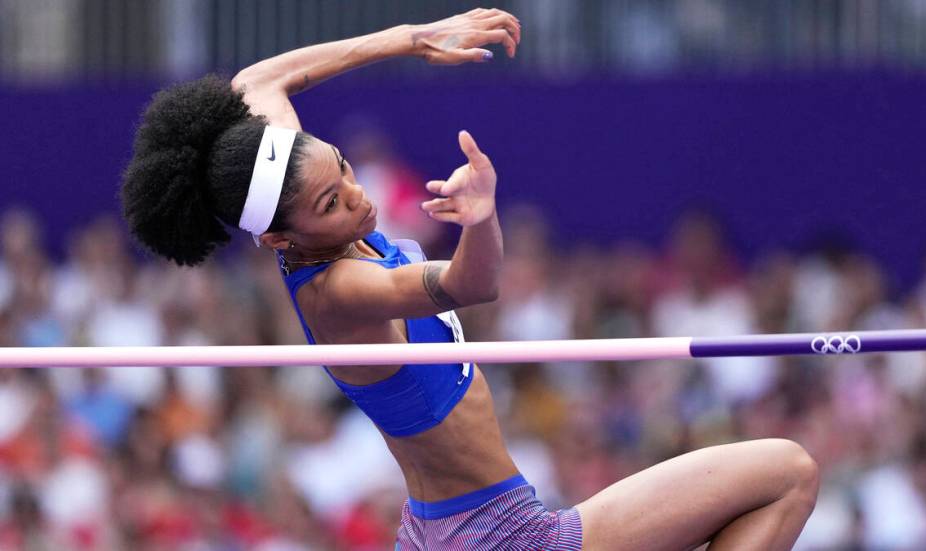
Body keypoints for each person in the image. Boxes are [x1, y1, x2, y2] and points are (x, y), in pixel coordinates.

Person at [121, 8, 819, 550]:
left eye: (344, 170)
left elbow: (258, 83)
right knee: (788, 473)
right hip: (501, 534)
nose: (359, 199)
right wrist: (481, 220)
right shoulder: (341, 292)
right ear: (279, 237)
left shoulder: (293, 196)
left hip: (439, 524)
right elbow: (470, 284)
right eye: (332, 205)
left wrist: (412, 36)